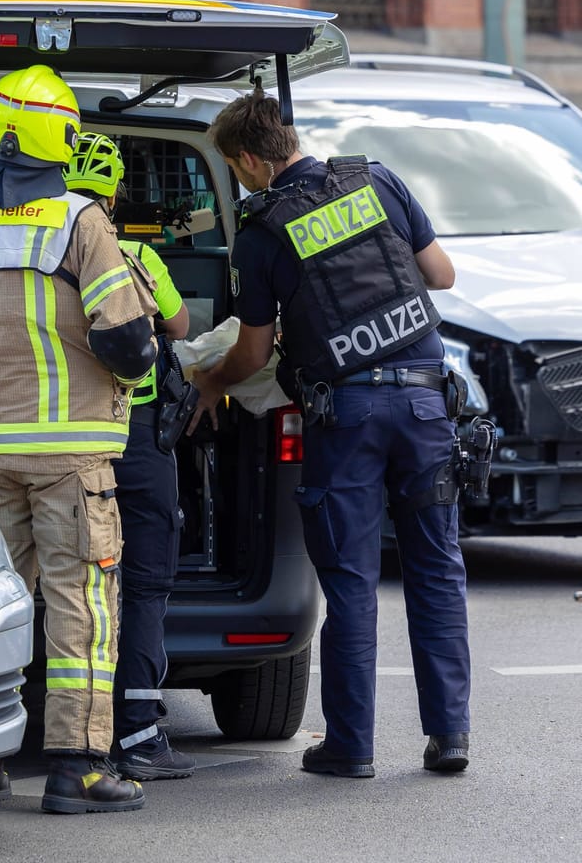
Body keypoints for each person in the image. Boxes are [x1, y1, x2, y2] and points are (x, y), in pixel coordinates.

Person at [0, 66, 161, 815]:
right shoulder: (79, 222)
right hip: (73, 458)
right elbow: (133, 345)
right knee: (81, 603)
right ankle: (77, 769)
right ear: (60, 141)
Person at [189, 90, 469, 778]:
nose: (242, 181)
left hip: (348, 417)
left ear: (252, 159)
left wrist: (210, 382)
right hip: (428, 405)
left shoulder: (261, 233)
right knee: (437, 571)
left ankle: (351, 746)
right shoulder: (376, 179)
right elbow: (441, 274)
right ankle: (451, 737)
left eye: (237, 169)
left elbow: (252, 355)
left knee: (350, 581)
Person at [63, 132, 197, 782]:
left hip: (70, 435)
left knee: (81, 589)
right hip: (137, 438)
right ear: (116, 191)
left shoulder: (47, 256)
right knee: (145, 585)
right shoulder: (138, 253)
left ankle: (65, 731)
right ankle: (141, 734)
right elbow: (180, 326)